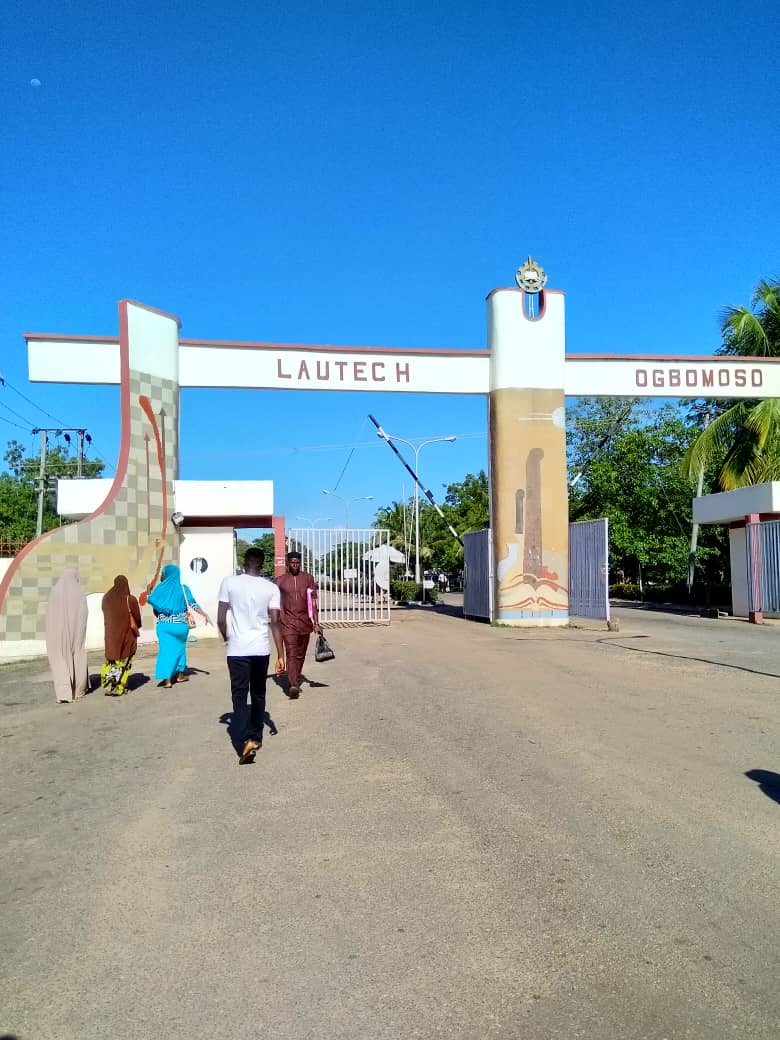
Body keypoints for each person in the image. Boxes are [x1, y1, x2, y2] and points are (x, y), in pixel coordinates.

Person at [217, 547, 285, 764]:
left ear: (245, 562)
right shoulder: (271, 588)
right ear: (262, 564)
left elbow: (221, 618)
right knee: (258, 694)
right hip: (260, 649)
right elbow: (275, 622)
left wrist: (227, 638)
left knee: (239, 694)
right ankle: (255, 737)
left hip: (237, 649)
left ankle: (245, 738)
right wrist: (281, 654)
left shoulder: (229, 583)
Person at [147, 563, 211, 688]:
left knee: (165, 651)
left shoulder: (160, 588)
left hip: (164, 626)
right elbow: (192, 603)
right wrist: (204, 614)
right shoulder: (183, 588)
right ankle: (180, 676)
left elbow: (152, 600)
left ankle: (167, 681)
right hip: (180, 626)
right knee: (180, 649)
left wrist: (149, 592)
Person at [275, 550, 321, 699]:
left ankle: (295, 675)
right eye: (292, 562)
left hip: (304, 622)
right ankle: (293, 684)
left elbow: (313, 602)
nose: (295, 565)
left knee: (300, 654)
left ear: (300, 563)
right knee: (291, 652)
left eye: (297, 562)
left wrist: (316, 622)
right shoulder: (280, 581)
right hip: (287, 622)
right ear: (288, 564)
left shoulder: (308, 578)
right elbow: (274, 602)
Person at [45, 569, 90, 704]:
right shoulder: (79, 592)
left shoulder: (55, 591)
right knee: (77, 655)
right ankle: (78, 689)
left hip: (57, 633)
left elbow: (50, 614)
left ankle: (64, 692)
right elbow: (83, 615)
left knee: (59, 658)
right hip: (76, 632)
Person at [100, 575, 142, 696]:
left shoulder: (106, 598)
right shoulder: (130, 599)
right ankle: (120, 687)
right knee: (125, 661)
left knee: (113, 662)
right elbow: (137, 619)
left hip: (111, 637)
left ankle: (110, 685)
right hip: (127, 636)